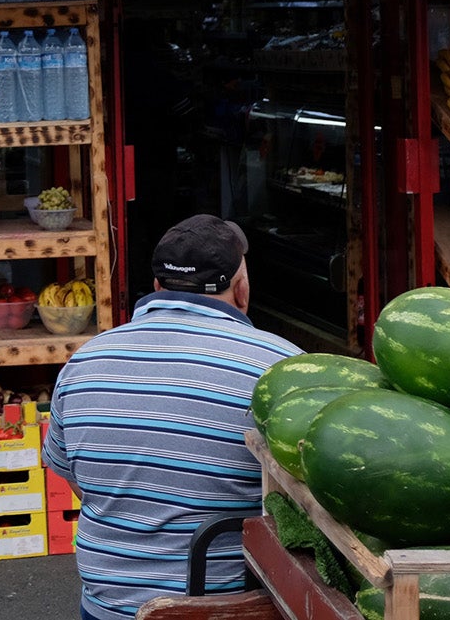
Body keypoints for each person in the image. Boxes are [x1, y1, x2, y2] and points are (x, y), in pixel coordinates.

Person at [44, 215, 300, 620]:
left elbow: (74, 477)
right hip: (230, 607)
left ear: (158, 287)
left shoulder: (84, 362)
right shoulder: (281, 367)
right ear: (242, 289)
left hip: (108, 607)